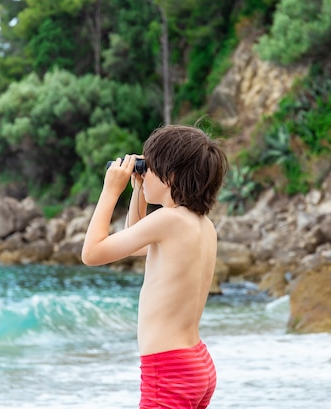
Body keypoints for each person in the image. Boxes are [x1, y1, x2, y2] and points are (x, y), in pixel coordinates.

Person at [81, 124, 228, 409]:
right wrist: (138, 190)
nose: (143, 172)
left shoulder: (168, 221)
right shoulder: (199, 225)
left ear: (170, 176)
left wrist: (111, 191)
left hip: (168, 368)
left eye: (149, 167)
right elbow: (135, 243)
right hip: (195, 365)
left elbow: (92, 253)